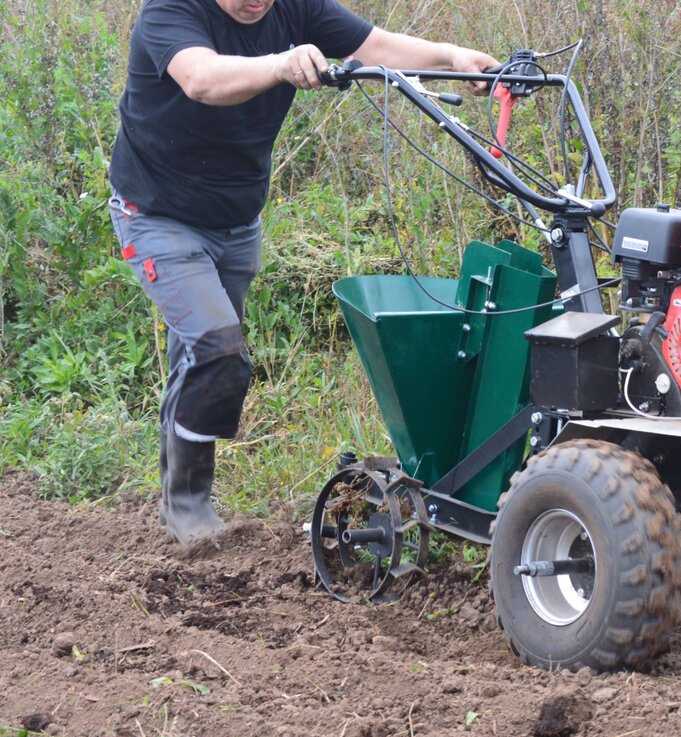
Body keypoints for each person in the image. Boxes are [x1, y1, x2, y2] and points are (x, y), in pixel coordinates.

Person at [108, 0, 498, 546]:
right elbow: (200, 79)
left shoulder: (296, 9)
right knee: (217, 346)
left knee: (200, 352)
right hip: (156, 216)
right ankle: (187, 505)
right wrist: (280, 63)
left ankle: (180, 493)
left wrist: (453, 58)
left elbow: (378, 46)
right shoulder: (168, 12)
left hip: (236, 222)